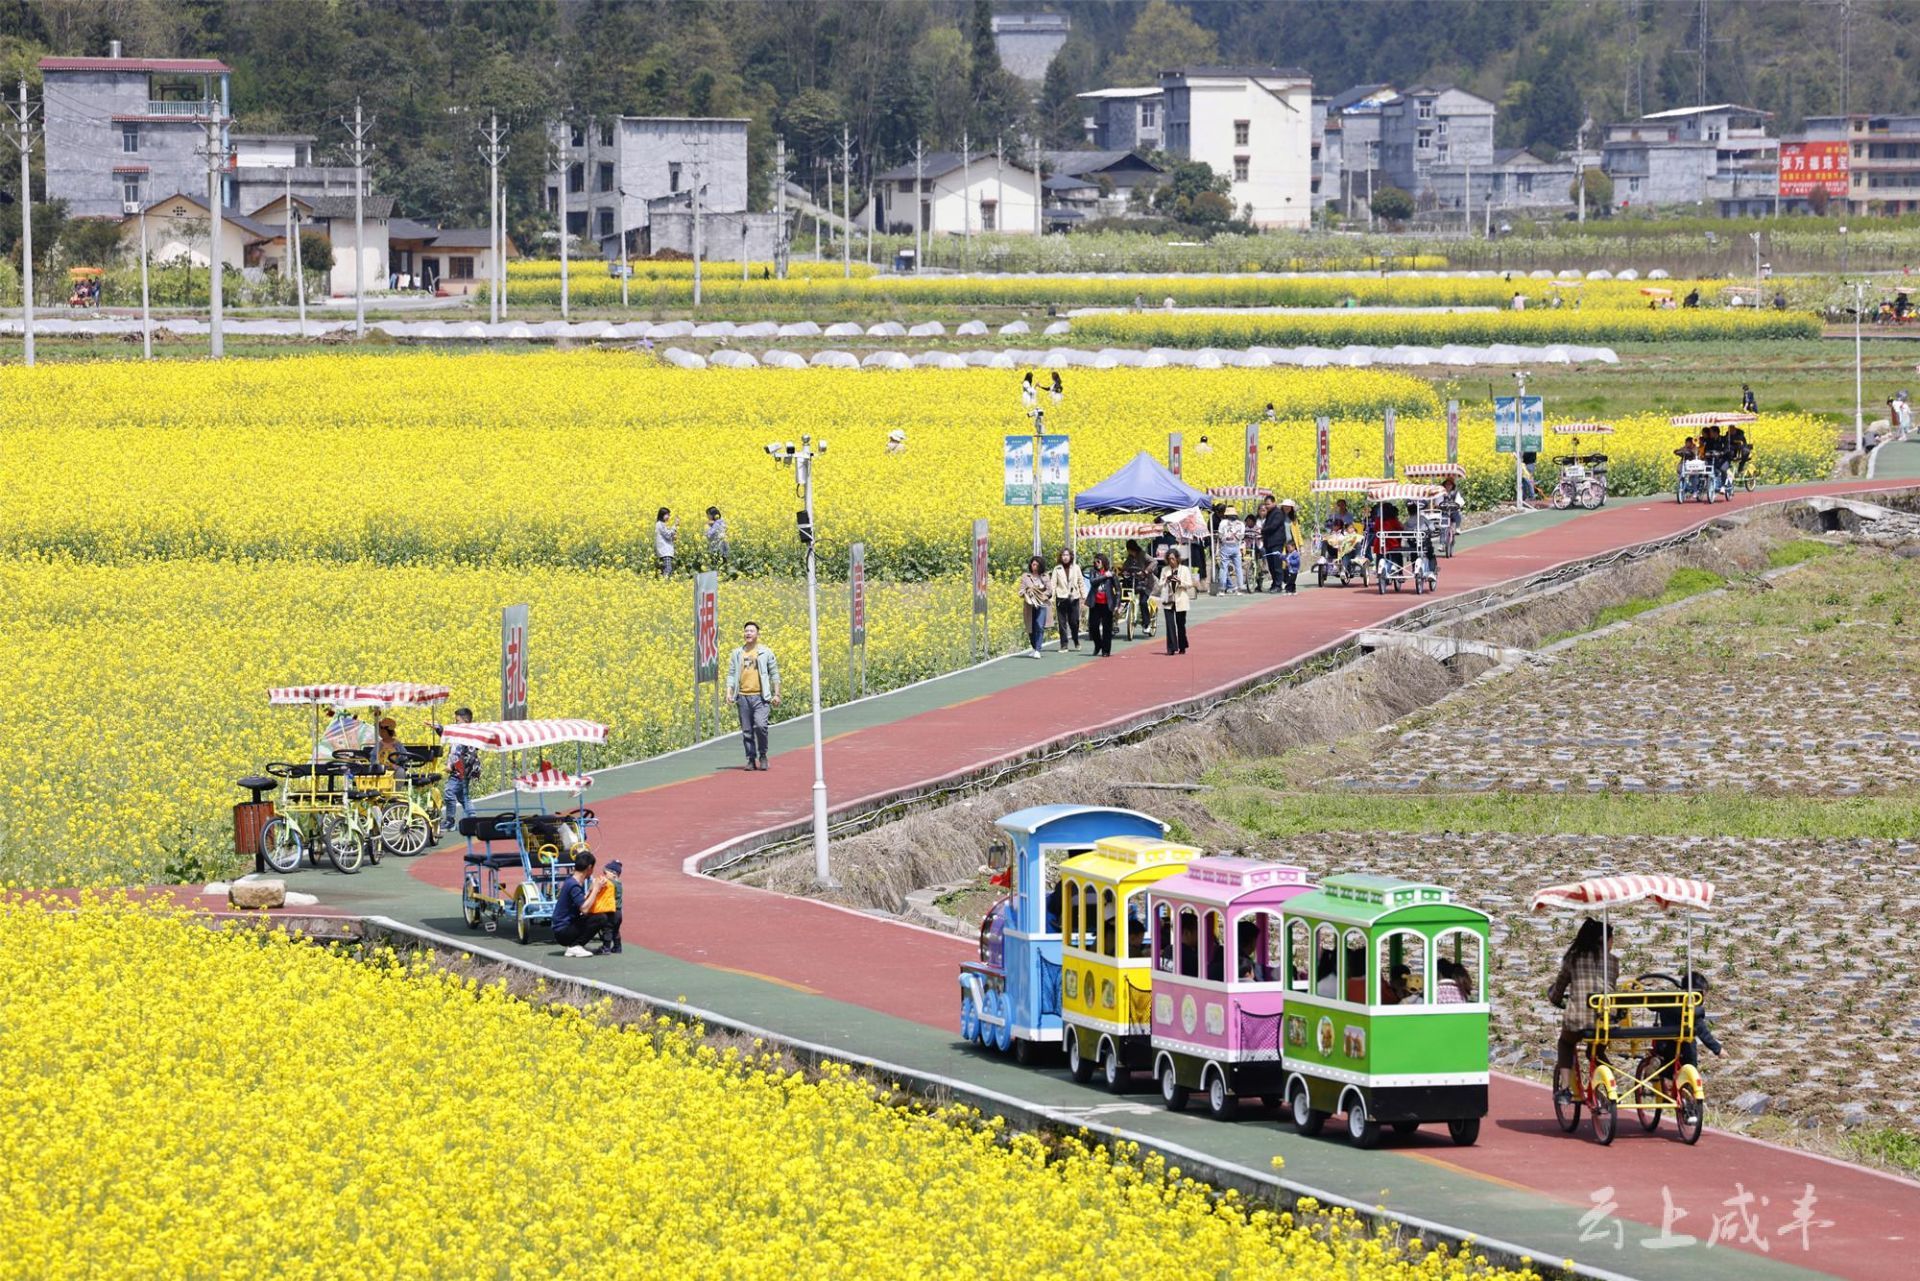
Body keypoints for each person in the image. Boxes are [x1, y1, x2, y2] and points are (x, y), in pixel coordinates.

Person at [1547, 918, 1619, 1107]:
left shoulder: (1573, 958)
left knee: (1565, 1043)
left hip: (1578, 1020)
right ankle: (1610, 1074)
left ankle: (1564, 1088)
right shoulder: (1613, 962)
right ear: (1605, 940)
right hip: (1606, 1021)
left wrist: (1554, 997)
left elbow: (1558, 989)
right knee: (1596, 1049)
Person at [725, 621, 781, 771]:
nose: (748, 633)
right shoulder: (737, 653)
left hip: (761, 697)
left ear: (757, 634)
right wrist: (729, 692)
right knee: (747, 730)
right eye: (746, 631)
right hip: (742, 696)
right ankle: (751, 758)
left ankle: (762, 755)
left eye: (751, 631)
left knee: (761, 726)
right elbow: (731, 674)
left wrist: (776, 694)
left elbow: (774, 673)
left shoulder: (765, 652)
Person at [551, 852, 619, 957]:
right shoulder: (574, 885)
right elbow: (584, 909)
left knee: (596, 916)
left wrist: (590, 890)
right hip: (563, 932)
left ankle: (575, 945)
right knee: (601, 918)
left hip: (563, 929)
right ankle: (576, 945)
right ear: (589, 867)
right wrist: (596, 889)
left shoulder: (571, 881)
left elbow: (581, 901)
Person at [438, 707, 479, 835]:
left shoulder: (470, 735)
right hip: (459, 770)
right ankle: (473, 820)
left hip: (461, 771)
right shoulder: (460, 733)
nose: (455, 723)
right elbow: (449, 736)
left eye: (457, 721)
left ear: (465, 720)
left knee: (449, 792)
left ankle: (450, 822)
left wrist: (455, 767)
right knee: (463, 796)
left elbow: (470, 756)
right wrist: (438, 729)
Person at [1049, 548, 1086, 652]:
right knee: (1062, 623)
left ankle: (1076, 640)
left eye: (1067, 555)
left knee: (1074, 622)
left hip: (1074, 597)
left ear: (1071, 556)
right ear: (1061, 557)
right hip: (1061, 598)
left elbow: (1081, 582)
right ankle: (1064, 644)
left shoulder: (1076, 568)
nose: (1065, 557)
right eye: (1063, 555)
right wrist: (1051, 598)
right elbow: (1053, 584)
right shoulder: (1057, 569)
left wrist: (1084, 596)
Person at [1160, 548, 1193, 655]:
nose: (1171, 561)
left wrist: (1180, 581)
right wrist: (1166, 580)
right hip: (1168, 599)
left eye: (1173, 559)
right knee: (1170, 624)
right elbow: (1160, 584)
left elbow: (1189, 584)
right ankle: (1171, 648)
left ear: (1177, 559)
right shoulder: (1165, 570)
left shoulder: (1184, 569)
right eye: (1169, 559)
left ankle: (1182, 646)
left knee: (1180, 624)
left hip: (1181, 599)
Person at [1018, 556, 1051, 659]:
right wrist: (1027, 592)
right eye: (1033, 564)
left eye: (1036, 564)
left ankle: (1038, 649)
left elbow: (1050, 590)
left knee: (1039, 625)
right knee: (1030, 627)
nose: (1034, 566)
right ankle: (1033, 647)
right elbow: (1021, 590)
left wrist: (1042, 594)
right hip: (1030, 605)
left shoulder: (1045, 576)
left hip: (1042, 604)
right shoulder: (1025, 576)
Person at [1085, 553, 1118, 657]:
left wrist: (1117, 604)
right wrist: (1104, 576)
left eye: (1098, 562)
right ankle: (1098, 644)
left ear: (1103, 562)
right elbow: (1093, 582)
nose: (1096, 564)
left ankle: (1106, 650)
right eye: (1095, 562)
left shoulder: (1111, 573)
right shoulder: (1093, 572)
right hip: (1095, 603)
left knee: (1107, 628)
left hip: (1107, 603)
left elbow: (1118, 590)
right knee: (1093, 627)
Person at [1259, 496, 1289, 593]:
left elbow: (1273, 526)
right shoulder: (1269, 513)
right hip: (1269, 543)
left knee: (1277, 565)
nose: (1266, 506)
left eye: (1268, 504)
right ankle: (1274, 583)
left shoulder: (1278, 513)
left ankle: (1278, 585)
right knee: (1271, 565)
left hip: (1276, 542)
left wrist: (1262, 530)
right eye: (1265, 504)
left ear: (1274, 503)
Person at [1216, 506, 1246, 593]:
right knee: (1238, 568)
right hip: (1236, 546)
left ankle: (1222, 588)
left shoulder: (1223, 522)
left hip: (1225, 546)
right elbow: (1242, 536)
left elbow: (1220, 534)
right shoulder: (1241, 524)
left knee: (1223, 567)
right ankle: (1240, 587)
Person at [704, 506, 730, 572]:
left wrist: (708, 526)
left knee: (716, 567)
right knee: (723, 566)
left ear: (712, 515)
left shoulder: (716, 524)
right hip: (724, 548)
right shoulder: (723, 522)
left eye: (708, 515)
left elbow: (709, 535)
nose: (707, 517)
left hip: (716, 549)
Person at [654, 507, 677, 577]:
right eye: (668, 515)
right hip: (665, 551)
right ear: (662, 515)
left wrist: (673, 538)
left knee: (664, 570)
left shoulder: (662, 524)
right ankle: (664, 582)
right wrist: (675, 525)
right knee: (668, 569)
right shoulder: (660, 524)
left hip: (665, 551)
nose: (669, 517)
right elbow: (668, 535)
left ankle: (662, 583)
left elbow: (667, 536)